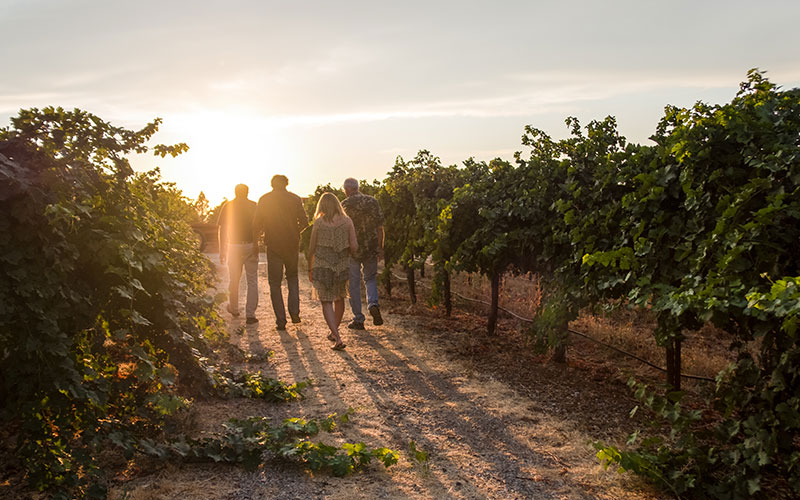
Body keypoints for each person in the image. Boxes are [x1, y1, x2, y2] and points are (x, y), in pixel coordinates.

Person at [253, 175, 309, 330]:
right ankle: (294, 311)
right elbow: (305, 222)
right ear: (286, 184)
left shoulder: (264, 199)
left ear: (272, 184)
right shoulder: (295, 199)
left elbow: (256, 223)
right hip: (291, 244)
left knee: (275, 283)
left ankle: (281, 320)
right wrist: (295, 232)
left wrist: (256, 241)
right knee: (292, 277)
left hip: (273, 245)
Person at [307, 193, 358, 350]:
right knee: (340, 298)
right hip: (342, 265)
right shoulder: (347, 221)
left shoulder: (319, 223)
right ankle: (335, 333)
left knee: (326, 301)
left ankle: (336, 336)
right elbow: (354, 246)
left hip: (322, 265)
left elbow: (311, 248)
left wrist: (310, 266)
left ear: (321, 206)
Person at [341, 177, 385, 329]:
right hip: (371, 246)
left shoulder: (344, 205)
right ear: (357, 188)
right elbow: (380, 227)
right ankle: (373, 303)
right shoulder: (372, 201)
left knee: (353, 284)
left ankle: (358, 319)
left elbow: (342, 230)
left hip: (352, 249)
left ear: (346, 190)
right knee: (370, 278)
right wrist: (380, 246)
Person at [218, 184, 259, 324]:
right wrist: (256, 243)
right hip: (250, 245)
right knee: (252, 280)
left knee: (234, 279)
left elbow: (222, 229)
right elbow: (258, 226)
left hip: (233, 245)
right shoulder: (254, 205)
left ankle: (234, 309)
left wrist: (222, 249)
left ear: (235, 192)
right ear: (247, 192)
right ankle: (250, 315)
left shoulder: (228, 205)